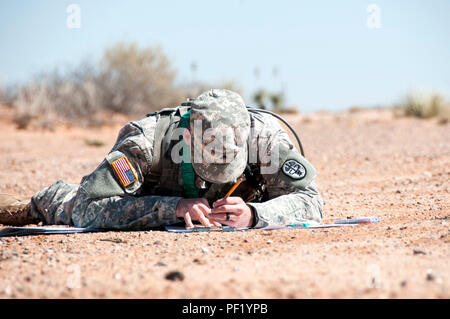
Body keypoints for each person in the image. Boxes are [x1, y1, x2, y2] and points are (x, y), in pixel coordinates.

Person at [0, 89, 323, 230]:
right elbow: (88, 206)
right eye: (211, 164)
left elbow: (311, 200)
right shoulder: (146, 141)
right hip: (149, 196)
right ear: (186, 138)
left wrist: (255, 214)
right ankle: (32, 205)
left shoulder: (264, 138)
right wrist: (171, 208)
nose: (220, 176)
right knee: (66, 205)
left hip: (241, 210)